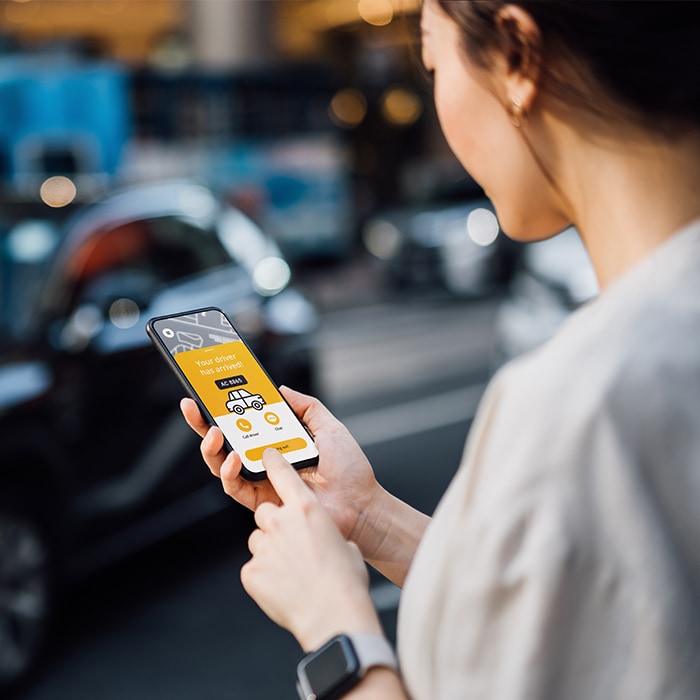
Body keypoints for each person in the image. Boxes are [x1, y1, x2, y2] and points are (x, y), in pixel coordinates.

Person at [181, 1, 700, 697]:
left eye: (432, 62)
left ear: (516, 56)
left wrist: (335, 623)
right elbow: (576, 618)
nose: (437, 96)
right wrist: (370, 518)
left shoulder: (579, 405)